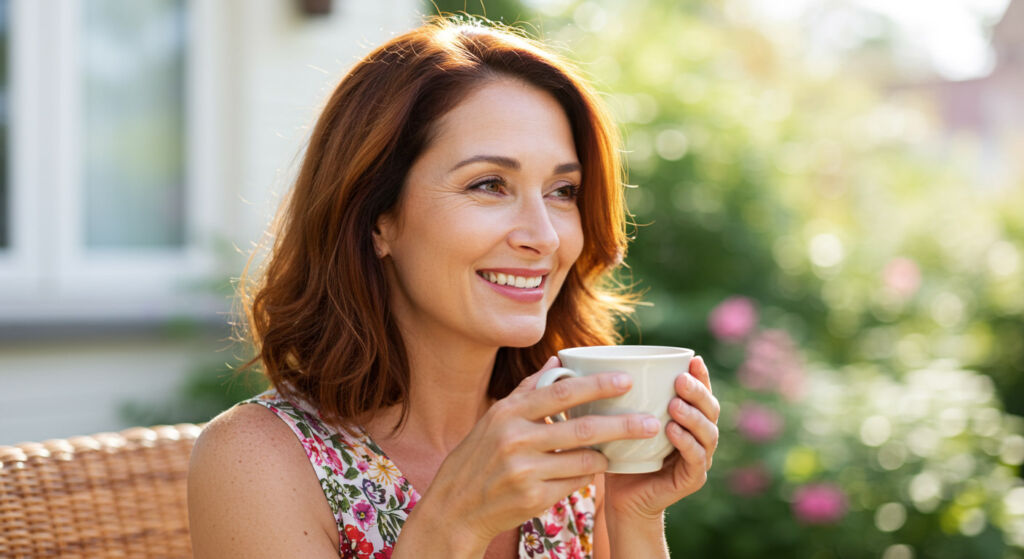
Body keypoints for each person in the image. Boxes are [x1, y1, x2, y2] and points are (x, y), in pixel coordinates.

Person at [187, 16, 720, 559]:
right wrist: (456, 521)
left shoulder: (572, 442)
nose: (544, 237)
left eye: (563, 191)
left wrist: (634, 514)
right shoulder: (256, 458)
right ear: (377, 219)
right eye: (490, 185)